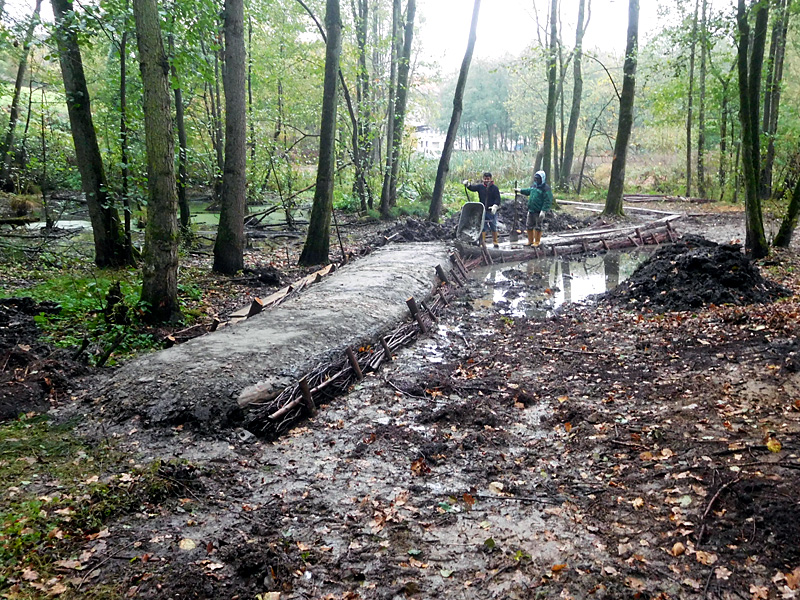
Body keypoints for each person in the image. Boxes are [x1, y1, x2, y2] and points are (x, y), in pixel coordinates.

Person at [515, 170, 553, 247]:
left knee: (538, 226)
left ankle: (537, 241)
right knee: (529, 225)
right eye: (535, 179)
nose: (536, 180)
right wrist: (520, 190)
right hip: (531, 210)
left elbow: (548, 200)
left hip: (539, 211)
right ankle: (530, 241)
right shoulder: (534, 186)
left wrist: (543, 210)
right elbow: (529, 191)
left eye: (538, 179)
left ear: (542, 179)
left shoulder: (545, 188)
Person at [463, 172, 501, 247]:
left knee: (493, 225)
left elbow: (498, 199)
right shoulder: (480, 187)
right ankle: (482, 242)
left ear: (491, 179)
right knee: (483, 227)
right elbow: (472, 188)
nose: (486, 180)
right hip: (482, 210)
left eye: (488, 179)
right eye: (485, 179)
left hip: (491, 210)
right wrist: (468, 185)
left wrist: (495, 206)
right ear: (483, 179)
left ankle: (495, 241)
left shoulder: (495, 188)